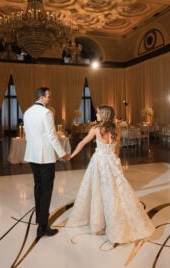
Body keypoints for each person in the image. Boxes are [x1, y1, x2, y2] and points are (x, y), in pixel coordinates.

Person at [66, 105, 155, 245]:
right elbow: (117, 149)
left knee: (98, 191)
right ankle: (115, 220)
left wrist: (71, 155)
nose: (96, 115)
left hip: (99, 163)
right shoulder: (116, 130)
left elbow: (83, 143)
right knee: (114, 192)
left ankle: (99, 222)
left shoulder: (95, 129)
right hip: (112, 162)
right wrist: (116, 163)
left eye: (98, 113)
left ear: (103, 115)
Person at [24, 87, 70, 238]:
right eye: (48, 96)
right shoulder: (46, 112)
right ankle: (43, 226)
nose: (50, 99)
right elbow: (51, 136)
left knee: (38, 188)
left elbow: (28, 135)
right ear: (42, 97)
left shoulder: (27, 112)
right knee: (46, 190)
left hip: (32, 156)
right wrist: (63, 154)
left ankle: (40, 221)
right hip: (45, 158)